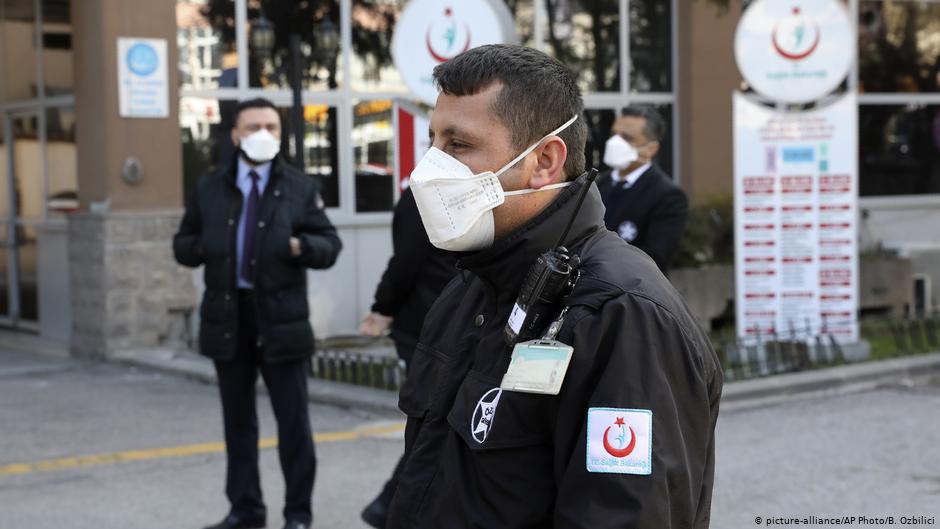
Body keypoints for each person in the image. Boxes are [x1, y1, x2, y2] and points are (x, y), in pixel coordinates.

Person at [385, 44, 722, 529]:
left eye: (459, 145)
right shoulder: (472, 288)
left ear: (544, 160)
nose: (430, 169)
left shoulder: (620, 314)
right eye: (433, 142)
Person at [173, 97, 342, 529]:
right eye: (252, 127)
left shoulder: (300, 188)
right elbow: (183, 243)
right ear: (235, 135)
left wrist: (299, 246)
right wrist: (206, 246)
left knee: (294, 427)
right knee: (238, 426)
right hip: (229, 321)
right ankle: (245, 510)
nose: (261, 134)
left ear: (280, 134)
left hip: (281, 322)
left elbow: (329, 247)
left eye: (270, 125)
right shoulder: (209, 188)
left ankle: (297, 515)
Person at [358, 185, 458, 528]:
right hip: (426, 328)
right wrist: (383, 307)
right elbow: (405, 262)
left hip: (448, 324)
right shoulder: (423, 195)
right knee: (434, 423)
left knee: (439, 423)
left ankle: (390, 503)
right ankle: (391, 503)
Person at [597, 106, 688, 273]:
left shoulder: (668, 197)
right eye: (614, 134)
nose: (615, 143)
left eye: (627, 138)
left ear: (650, 149)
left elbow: (654, 259)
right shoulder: (597, 185)